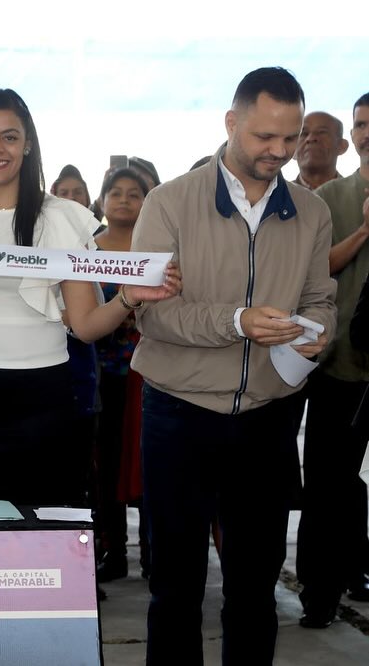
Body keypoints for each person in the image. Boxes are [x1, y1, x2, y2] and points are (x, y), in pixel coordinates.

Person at [130, 67, 337, 664]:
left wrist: (314, 334)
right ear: (231, 122)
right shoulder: (169, 203)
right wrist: (236, 322)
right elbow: (154, 317)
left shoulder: (312, 212)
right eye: (264, 137)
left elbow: (320, 297)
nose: (279, 152)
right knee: (175, 587)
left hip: (269, 420)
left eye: (290, 138)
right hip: (179, 414)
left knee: (254, 589)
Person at [0, 88, 179, 507]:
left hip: (41, 399)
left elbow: (85, 326)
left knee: (37, 547)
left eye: (9, 137)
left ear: (28, 143)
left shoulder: (61, 218)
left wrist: (128, 298)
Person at [296, 93, 369, 628]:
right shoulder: (330, 200)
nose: (368, 133)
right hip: (339, 362)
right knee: (326, 481)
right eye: (363, 124)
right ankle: (319, 594)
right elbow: (314, 268)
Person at [91, 168, 150, 583]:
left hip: (147, 377)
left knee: (149, 465)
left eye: (135, 193)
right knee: (106, 466)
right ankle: (112, 549)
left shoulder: (157, 249)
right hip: (100, 376)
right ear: (102, 201)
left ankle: (154, 550)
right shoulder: (87, 250)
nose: (125, 200)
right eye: (116, 193)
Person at [295, 111, 348, 190]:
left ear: (342, 146)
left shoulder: (360, 195)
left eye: (321, 132)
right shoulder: (275, 196)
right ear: (293, 150)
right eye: (304, 134)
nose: (311, 138)